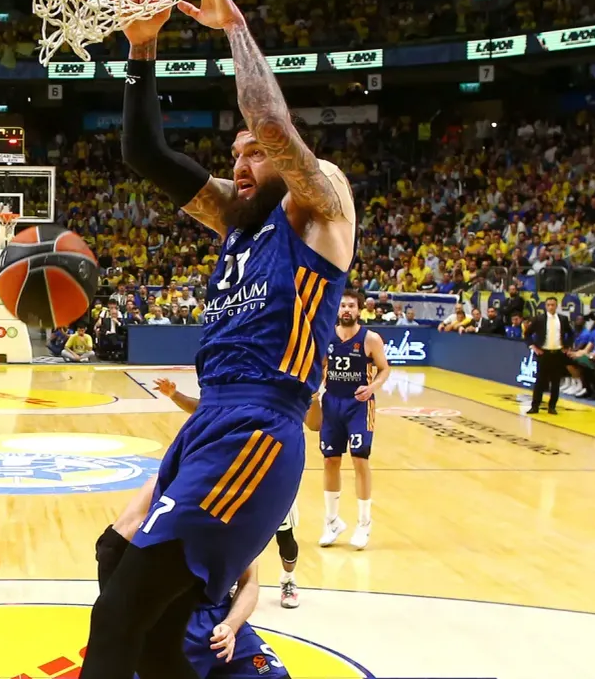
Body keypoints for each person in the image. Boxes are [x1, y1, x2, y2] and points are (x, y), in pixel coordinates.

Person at [85, 0, 355, 679]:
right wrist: (142, 45)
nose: (240, 163)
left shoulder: (321, 204)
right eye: (232, 156)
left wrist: (233, 25)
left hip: (260, 429)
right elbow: (145, 152)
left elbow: (268, 122)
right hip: (211, 422)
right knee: (143, 609)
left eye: (252, 157)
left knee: (117, 612)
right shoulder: (237, 222)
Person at [95, 473, 291, 679]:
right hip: (171, 619)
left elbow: (249, 582)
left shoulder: (243, 504)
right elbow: (110, 549)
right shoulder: (165, 484)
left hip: (219, 615)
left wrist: (231, 626)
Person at [152, 377, 301, 609]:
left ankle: (288, 580)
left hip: (274, 470)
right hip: (237, 469)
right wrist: (175, 395)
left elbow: (314, 423)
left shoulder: (281, 394)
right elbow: (203, 408)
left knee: (285, 537)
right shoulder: (237, 389)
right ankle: (227, 581)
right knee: (228, 531)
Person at [304, 290, 389, 550]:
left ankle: (364, 523)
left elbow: (384, 369)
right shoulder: (326, 336)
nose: (347, 310)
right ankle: (331, 521)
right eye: (342, 306)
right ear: (337, 310)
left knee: (360, 459)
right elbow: (318, 370)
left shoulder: (370, 339)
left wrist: (372, 387)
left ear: (360, 310)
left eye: (351, 306)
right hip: (332, 404)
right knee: (330, 460)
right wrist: (312, 393)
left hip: (359, 406)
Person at [525, 297, 574, 415]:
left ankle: (552, 406)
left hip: (557, 354)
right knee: (540, 381)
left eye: (553, 305)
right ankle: (535, 406)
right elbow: (527, 333)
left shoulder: (563, 319)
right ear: (545, 306)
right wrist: (534, 347)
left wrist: (567, 346)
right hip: (544, 354)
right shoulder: (539, 319)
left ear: (556, 306)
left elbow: (570, 333)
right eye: (548, 305)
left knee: (556, 382)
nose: (551, 307)